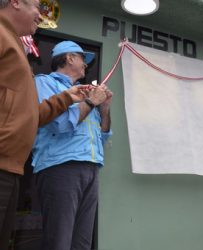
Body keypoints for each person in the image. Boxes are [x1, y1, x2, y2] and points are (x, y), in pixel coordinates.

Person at [0, 1, 90, 248]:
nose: (41, 15)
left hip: (13, 167)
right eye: (38, 6)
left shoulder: (15, 46)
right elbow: (60, 126)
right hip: (21, 165)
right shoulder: (4, 37)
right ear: (15, 2)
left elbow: (30, 115)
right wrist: (90, 103)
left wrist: (69, 98)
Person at [32, 40, 113, 250]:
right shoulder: (44, 82)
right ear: (69, 58)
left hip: (91, 168)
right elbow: (57, 124)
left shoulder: (86, 94)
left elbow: (103, 137)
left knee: (82, 243)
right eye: (82, 59)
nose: (86, 65)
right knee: (59, 240)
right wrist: (91, 103)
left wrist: (103, 108)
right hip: (60, 167)